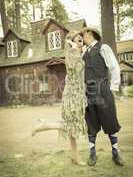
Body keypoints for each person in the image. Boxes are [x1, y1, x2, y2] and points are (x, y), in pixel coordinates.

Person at [32, 31, 87, 165]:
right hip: (72, 94)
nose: (81, 41)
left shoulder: (79, 53)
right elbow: (74, 68)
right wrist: (75, 49)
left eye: (81, 39)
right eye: (78, 39)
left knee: (72, 128)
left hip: (78, 93)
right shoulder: (71, 53)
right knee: (72, 126)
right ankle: (46, 125)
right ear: (72, 42)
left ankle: (75, 156)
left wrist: (81, 51)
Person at [79, 27, 124, 166]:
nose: (82, 36)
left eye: (83, 34)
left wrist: (113, 87)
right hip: (89, 91)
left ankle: (115, 153)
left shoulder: (103, 48)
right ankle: (92, 153)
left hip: (103, 88)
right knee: (91, 121)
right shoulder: (84, 53)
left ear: (90, 33)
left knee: (109, 119)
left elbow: (114, 67)